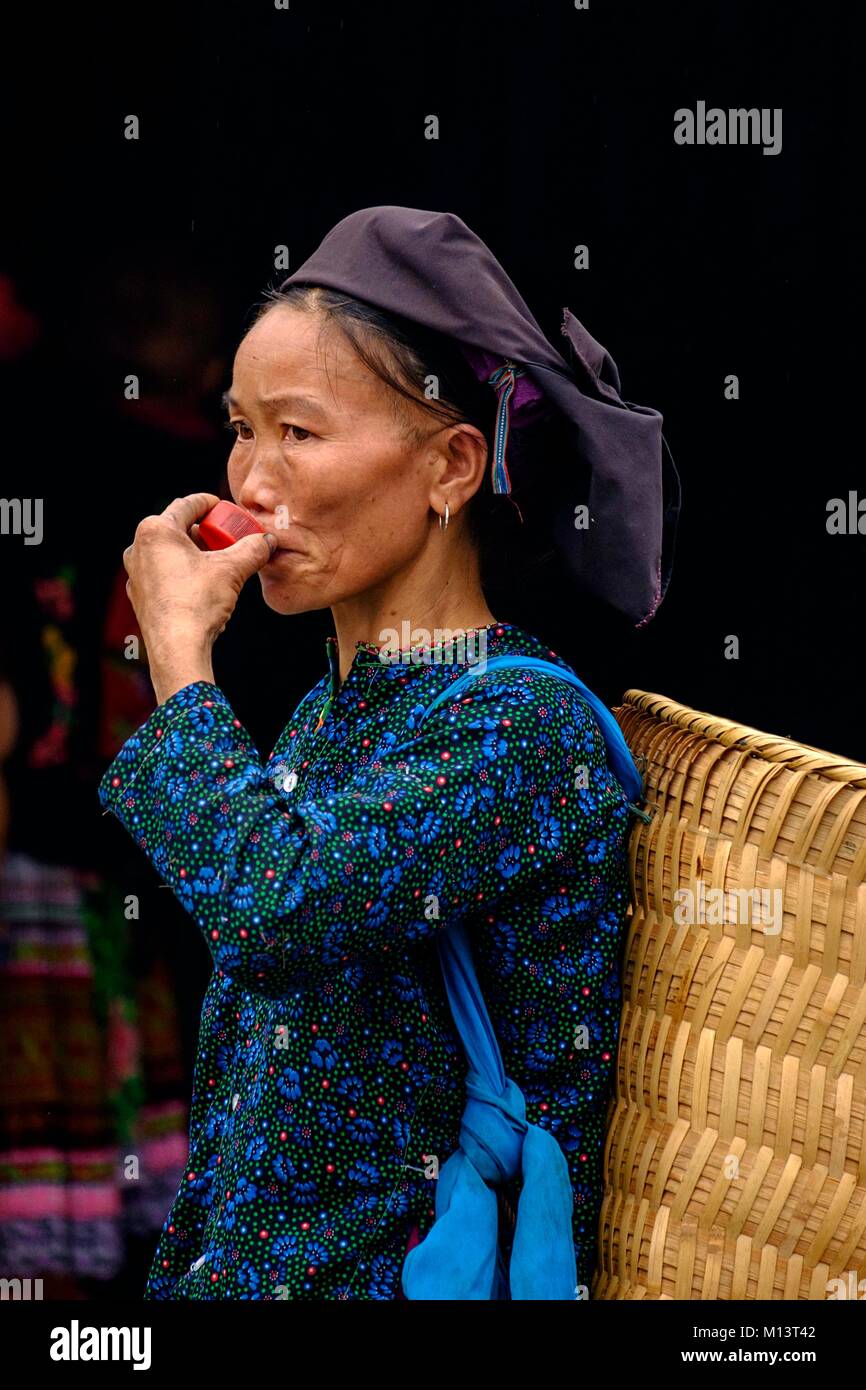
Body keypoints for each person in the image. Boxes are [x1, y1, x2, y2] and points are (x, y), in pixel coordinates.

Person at [98, 207, 679, 1300]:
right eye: (239, 428)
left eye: (300, 435)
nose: (251, 483)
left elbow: (276, 909)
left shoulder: (518, 732)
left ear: (451, 467)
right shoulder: (334, 710)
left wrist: (177, 656)